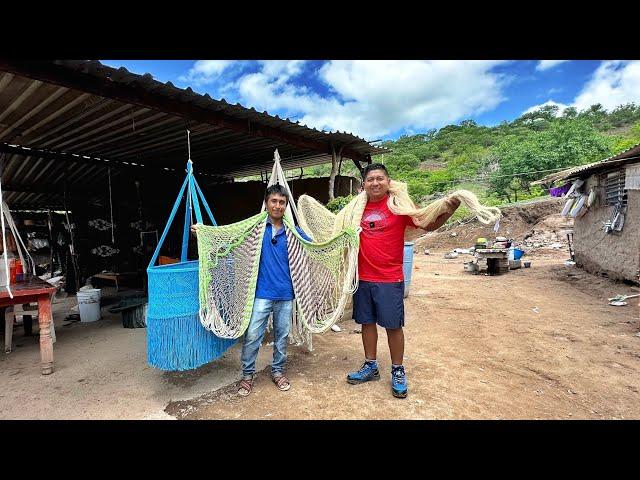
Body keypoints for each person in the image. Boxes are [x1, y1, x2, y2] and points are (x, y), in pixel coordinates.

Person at [346, 163, 460, 398]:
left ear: (389, 182)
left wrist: (449, 209)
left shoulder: (399, 207)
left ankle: (397, 370)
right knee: (366, 323)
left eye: (380, 178)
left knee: (392, 326)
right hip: (363, 276)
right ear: (364, 184)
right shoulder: (355, 210)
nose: (375, 183)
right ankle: (370, 366)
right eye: (370, 179)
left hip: (389, 277)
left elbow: (427, 223)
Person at [196, 184, 311, 396]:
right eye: (274, 201)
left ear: (286, 206)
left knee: (282, 335)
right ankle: (247, 376)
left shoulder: (293, 232)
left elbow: (314, 246)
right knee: (252, 336)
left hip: (285, 294)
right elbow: (229, 238)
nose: (277, 206)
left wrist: (341, 239)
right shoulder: (255, 230)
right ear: (266, 203)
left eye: (282, 202)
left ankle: (277, 371)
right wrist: (205, 234)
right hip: (260, 293)